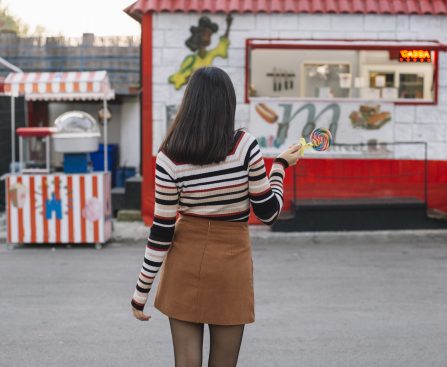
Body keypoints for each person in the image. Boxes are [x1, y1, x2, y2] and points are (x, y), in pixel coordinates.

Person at [131, 66, 301, 367]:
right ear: (228, 103)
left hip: (184, 262)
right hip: (231, 263)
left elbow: (162, 230)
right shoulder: (243, 146)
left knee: (186, 362)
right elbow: (269, 213)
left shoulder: (169, 156)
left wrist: (141, 291)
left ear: (189, 102)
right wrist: (280, 167)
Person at [169, 15, 233, 90]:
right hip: (194, 94)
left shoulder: (210, 55)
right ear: (198, 36)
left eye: (210, 35)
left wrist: (228, 26)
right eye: (205, 34)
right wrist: (188, 79)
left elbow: (222, 45)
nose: (208, 37)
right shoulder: (191, 59)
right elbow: (177, 78)